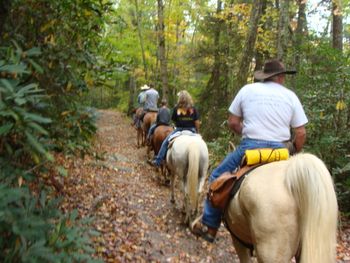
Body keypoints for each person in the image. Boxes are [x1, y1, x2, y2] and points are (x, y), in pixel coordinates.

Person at [190, 59, 308, 243]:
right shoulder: (291, 96)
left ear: (265, 76)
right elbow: (300, 133)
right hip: (280, 151)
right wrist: (293, 149)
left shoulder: (247, 90)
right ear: (281, 77)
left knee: (217, 178)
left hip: (251, 148)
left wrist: (244, 133)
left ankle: (210, 226)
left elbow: (233, 122)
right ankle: (304, 238)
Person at [152, 90, 200, 167]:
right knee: (201, 143)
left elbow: (173, 120)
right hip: (191, 129)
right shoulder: (193, 108)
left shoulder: (176, 108)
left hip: (180, 129)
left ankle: (158, 161)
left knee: (165, 142)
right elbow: (197, 122)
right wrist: (197, 132)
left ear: (180, 98)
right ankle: (206, 164)